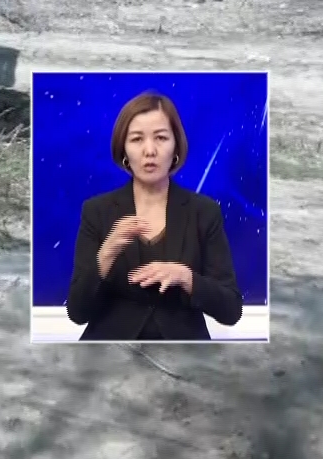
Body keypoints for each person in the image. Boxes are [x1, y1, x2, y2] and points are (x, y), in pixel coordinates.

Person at [65, 92, 243, 340]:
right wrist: (107, 253)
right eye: (137, 139)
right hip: (110, 352)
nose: (150, 150)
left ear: (175, 147)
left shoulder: (203, 211)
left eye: (160, 138)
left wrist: (186, 277)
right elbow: (77, 312)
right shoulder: (97, 211)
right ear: (124, 149)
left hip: (183, 354)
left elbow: (231, 310)